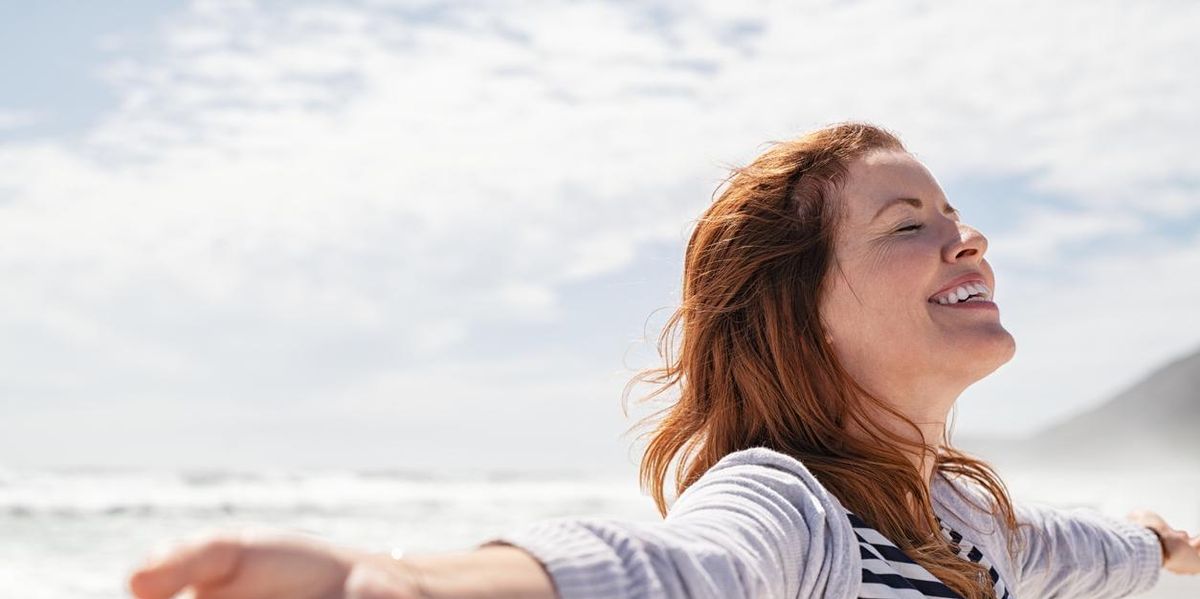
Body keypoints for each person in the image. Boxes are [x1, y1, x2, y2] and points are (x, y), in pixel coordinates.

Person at [126, 122, 1200, 599]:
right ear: (804, 315)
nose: (969, 240)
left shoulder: (965, 519)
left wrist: (1171, 540)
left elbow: (1096, 546)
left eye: (957, 215)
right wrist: (410, 580)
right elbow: (680, 573)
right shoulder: (790, 507)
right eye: (907, 223)